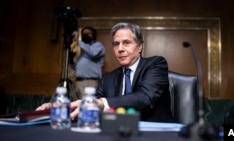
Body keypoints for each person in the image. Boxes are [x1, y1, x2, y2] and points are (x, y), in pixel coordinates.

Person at [36, 22, 173, 122]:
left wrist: (102, 103)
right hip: (118, 132)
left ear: (139, 47)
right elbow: (90, 102)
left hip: (155, 133)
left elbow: (145, 98)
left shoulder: (155, 64)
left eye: (126, 43)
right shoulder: (109, 78)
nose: (120, 49)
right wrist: (60, 107)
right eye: (116, 44)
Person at [68, 26, 105, 98]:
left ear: (94, 35)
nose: (86, 36)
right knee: (78, 105)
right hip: (78, 81)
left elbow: (93, 53)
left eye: (88, 33)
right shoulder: (84, 50)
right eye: (84, 34)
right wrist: (71, 60)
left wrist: (78, 41)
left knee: (87, 106)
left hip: (89, 82)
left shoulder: (98, 46)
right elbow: (78, 68)